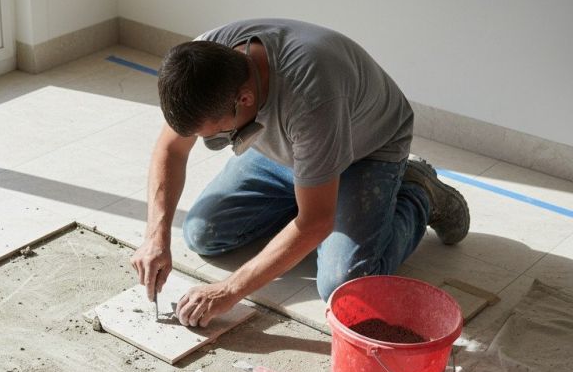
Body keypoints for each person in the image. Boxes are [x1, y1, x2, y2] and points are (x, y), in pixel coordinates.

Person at [130, 18, 470, 328]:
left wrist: (228, 291)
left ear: (244, 99)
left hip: (367, 149)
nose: (214, 140)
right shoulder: (204, 61)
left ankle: (418, 191)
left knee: (343, 283)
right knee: (203, 233)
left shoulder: (312, 99)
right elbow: (171, 149)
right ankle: (313, 188)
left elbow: (315, 222)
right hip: (295, 149)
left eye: (216, 133)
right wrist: (155, 237)